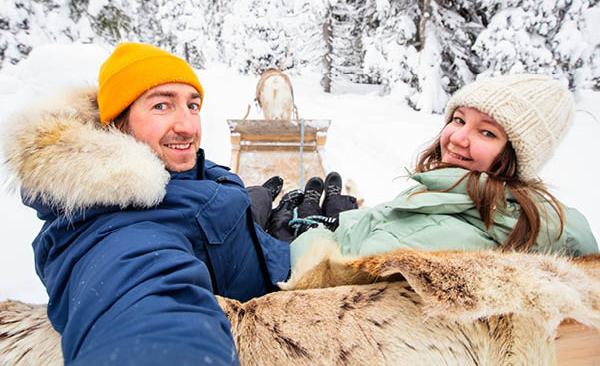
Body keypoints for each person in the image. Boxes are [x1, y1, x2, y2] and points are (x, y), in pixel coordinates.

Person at [3, 42, 290, 366]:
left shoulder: (168, 167)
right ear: (118, 122)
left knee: (258, 196)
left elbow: (192, 193)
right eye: (161, 106)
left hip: (244, 234)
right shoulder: (117, 233)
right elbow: (143, 303)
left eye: (192, 105)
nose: (188, 126)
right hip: (268, 270)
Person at [290, 74, 599, 265]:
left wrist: (304, 233)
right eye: (459, 119)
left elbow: (349, 263)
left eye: (487, 132)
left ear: (516, 156)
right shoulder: (461, 193)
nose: (457, 138)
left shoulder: (453, 228)